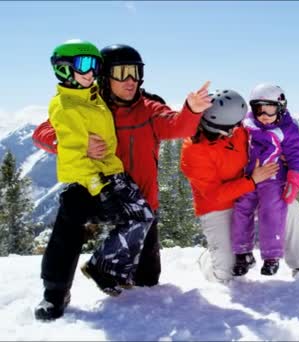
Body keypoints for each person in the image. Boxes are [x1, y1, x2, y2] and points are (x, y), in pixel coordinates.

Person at [32, 43, 212, 321]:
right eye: (122, 73)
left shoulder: (149, 108)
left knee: (146, 283)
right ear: (105, 75)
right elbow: (43, 131)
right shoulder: (89, 103)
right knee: (70, 214)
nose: (131, 80)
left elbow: (178, 125)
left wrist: (192, 109)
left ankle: (113, 277)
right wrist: (73, 145)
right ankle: (54, 294)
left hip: (139, 201)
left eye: (136, 73)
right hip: (95, 190)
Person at [44, 38, 156, 299]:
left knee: (143, 216)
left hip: (112, 171)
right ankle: (57, 291)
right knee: (71, 224)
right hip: (90, 179)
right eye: (84, 64)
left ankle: (107, 268)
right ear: (63, 68)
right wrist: (99, 186)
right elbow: (70, 152)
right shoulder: (66, 106)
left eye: (95, 65)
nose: (91, 72)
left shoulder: (93, 96)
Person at [180, 89, 299, 283]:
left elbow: (269, 138)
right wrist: (252, 181)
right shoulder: (194, 152)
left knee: (287, 205)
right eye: (229, 129)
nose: (234, 132)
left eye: (236, 126)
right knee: (225, 275)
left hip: (251, 191)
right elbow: (213, 196)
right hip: (219, 206)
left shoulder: (238, 128)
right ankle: (209, 257)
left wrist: (283, 160)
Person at [231, 84, 299, 276]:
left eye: (270, 109)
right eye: (258, 109)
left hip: (273, 178)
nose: (264, 115)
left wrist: (294, 180)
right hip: (250, 177)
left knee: (271, 211)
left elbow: (296, 155)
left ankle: (271, 256)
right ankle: (242, 252)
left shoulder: (287, 129)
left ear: (280, 107)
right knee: (241, 208)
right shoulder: (247, 124)